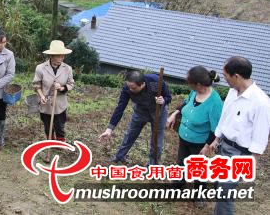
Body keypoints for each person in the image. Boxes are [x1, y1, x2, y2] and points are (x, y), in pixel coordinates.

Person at [209, 56, 270, 215]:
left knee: (225, 194)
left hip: (240, 154)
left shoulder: (261, 102)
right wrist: (216, 139)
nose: (224, 79)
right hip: (224, 147)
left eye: (225, 76)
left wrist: (253, 161)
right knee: (218, 185)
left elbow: (261, 134)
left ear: (236, 76)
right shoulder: (232, 92)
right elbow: (225, 117)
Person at [166, 66, 223, 207]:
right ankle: (177, 187)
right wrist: (175, 113)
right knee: (181, 163)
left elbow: (215, 129)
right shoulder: (194, 92)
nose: (188, 86)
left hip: (200, 142)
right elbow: (185, 103)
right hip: (184, 137)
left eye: (189, 83)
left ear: (198, 84)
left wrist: (207, 146)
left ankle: (200, 195)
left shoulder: (215, 102)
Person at [98, 70, 172, 165]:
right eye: (128, 86)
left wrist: (163, 100)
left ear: (142, 84)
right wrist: (109, 129)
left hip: (159, 113)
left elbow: (168, 97)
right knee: (130, 134)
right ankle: (119, 156)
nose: (129, 90)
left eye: (132, 88)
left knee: (156, 141)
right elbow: (120, 107)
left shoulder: (156, 81)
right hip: (140, 112)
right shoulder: (127, 88)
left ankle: (153, 164)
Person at [32, 40, 74, 142]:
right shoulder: (40, 68)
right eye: (58, 56)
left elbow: (71, 84)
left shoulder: (67, 69)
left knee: (60, 125)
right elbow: (36, 85)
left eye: (62, 56)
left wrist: (61, 88)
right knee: (47, 126)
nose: (61, 58)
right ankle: (50, 142)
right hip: (45, 102)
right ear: (51, 56)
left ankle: (60, 144)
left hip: (60, 103)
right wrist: (41, 96)